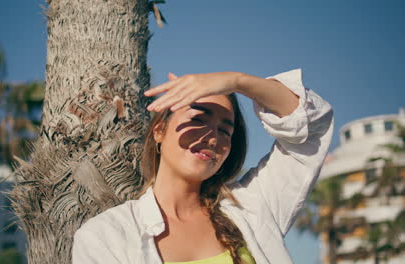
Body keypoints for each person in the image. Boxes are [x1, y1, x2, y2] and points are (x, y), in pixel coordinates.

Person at [72, 69, 334, 264]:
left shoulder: (253, 207)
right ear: (159, 130)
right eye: (198, 118)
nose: (212, 136)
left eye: (225, 130)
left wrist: (236, 81)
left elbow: (312, 129)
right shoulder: (106, 234)